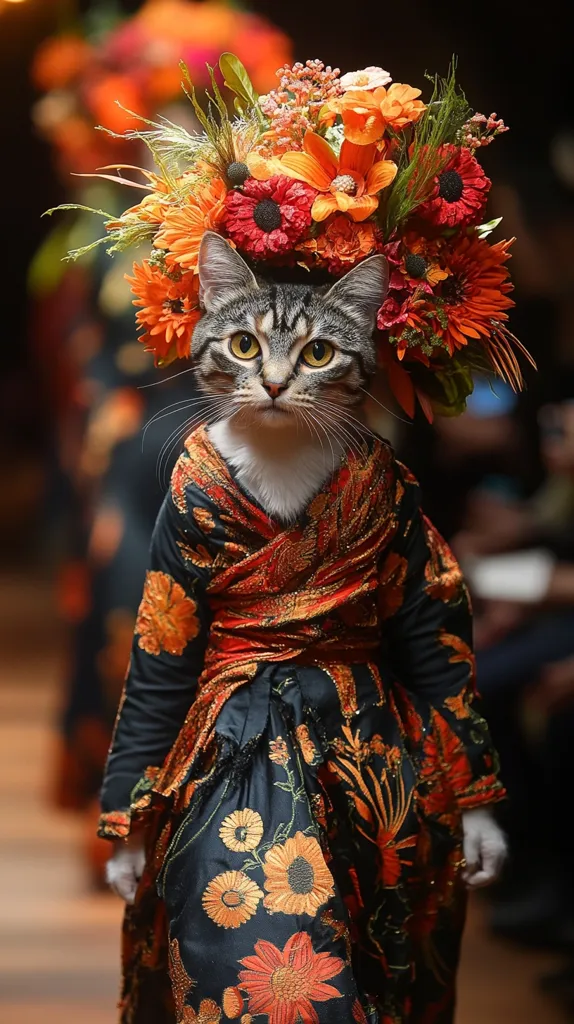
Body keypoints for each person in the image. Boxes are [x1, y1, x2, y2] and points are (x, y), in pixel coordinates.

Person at [54, 54, 528, 1024]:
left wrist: (473, 797)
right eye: (243, 347)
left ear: (359, 352)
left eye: (312, 352)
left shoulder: (379, 484)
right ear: (206, 335)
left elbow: (433, 645)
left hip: (369, 776)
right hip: (225, 761)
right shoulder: (196, 480)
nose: (273, 377)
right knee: (245, 977)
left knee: (368, 980)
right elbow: (159, 657)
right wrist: (127, 813)